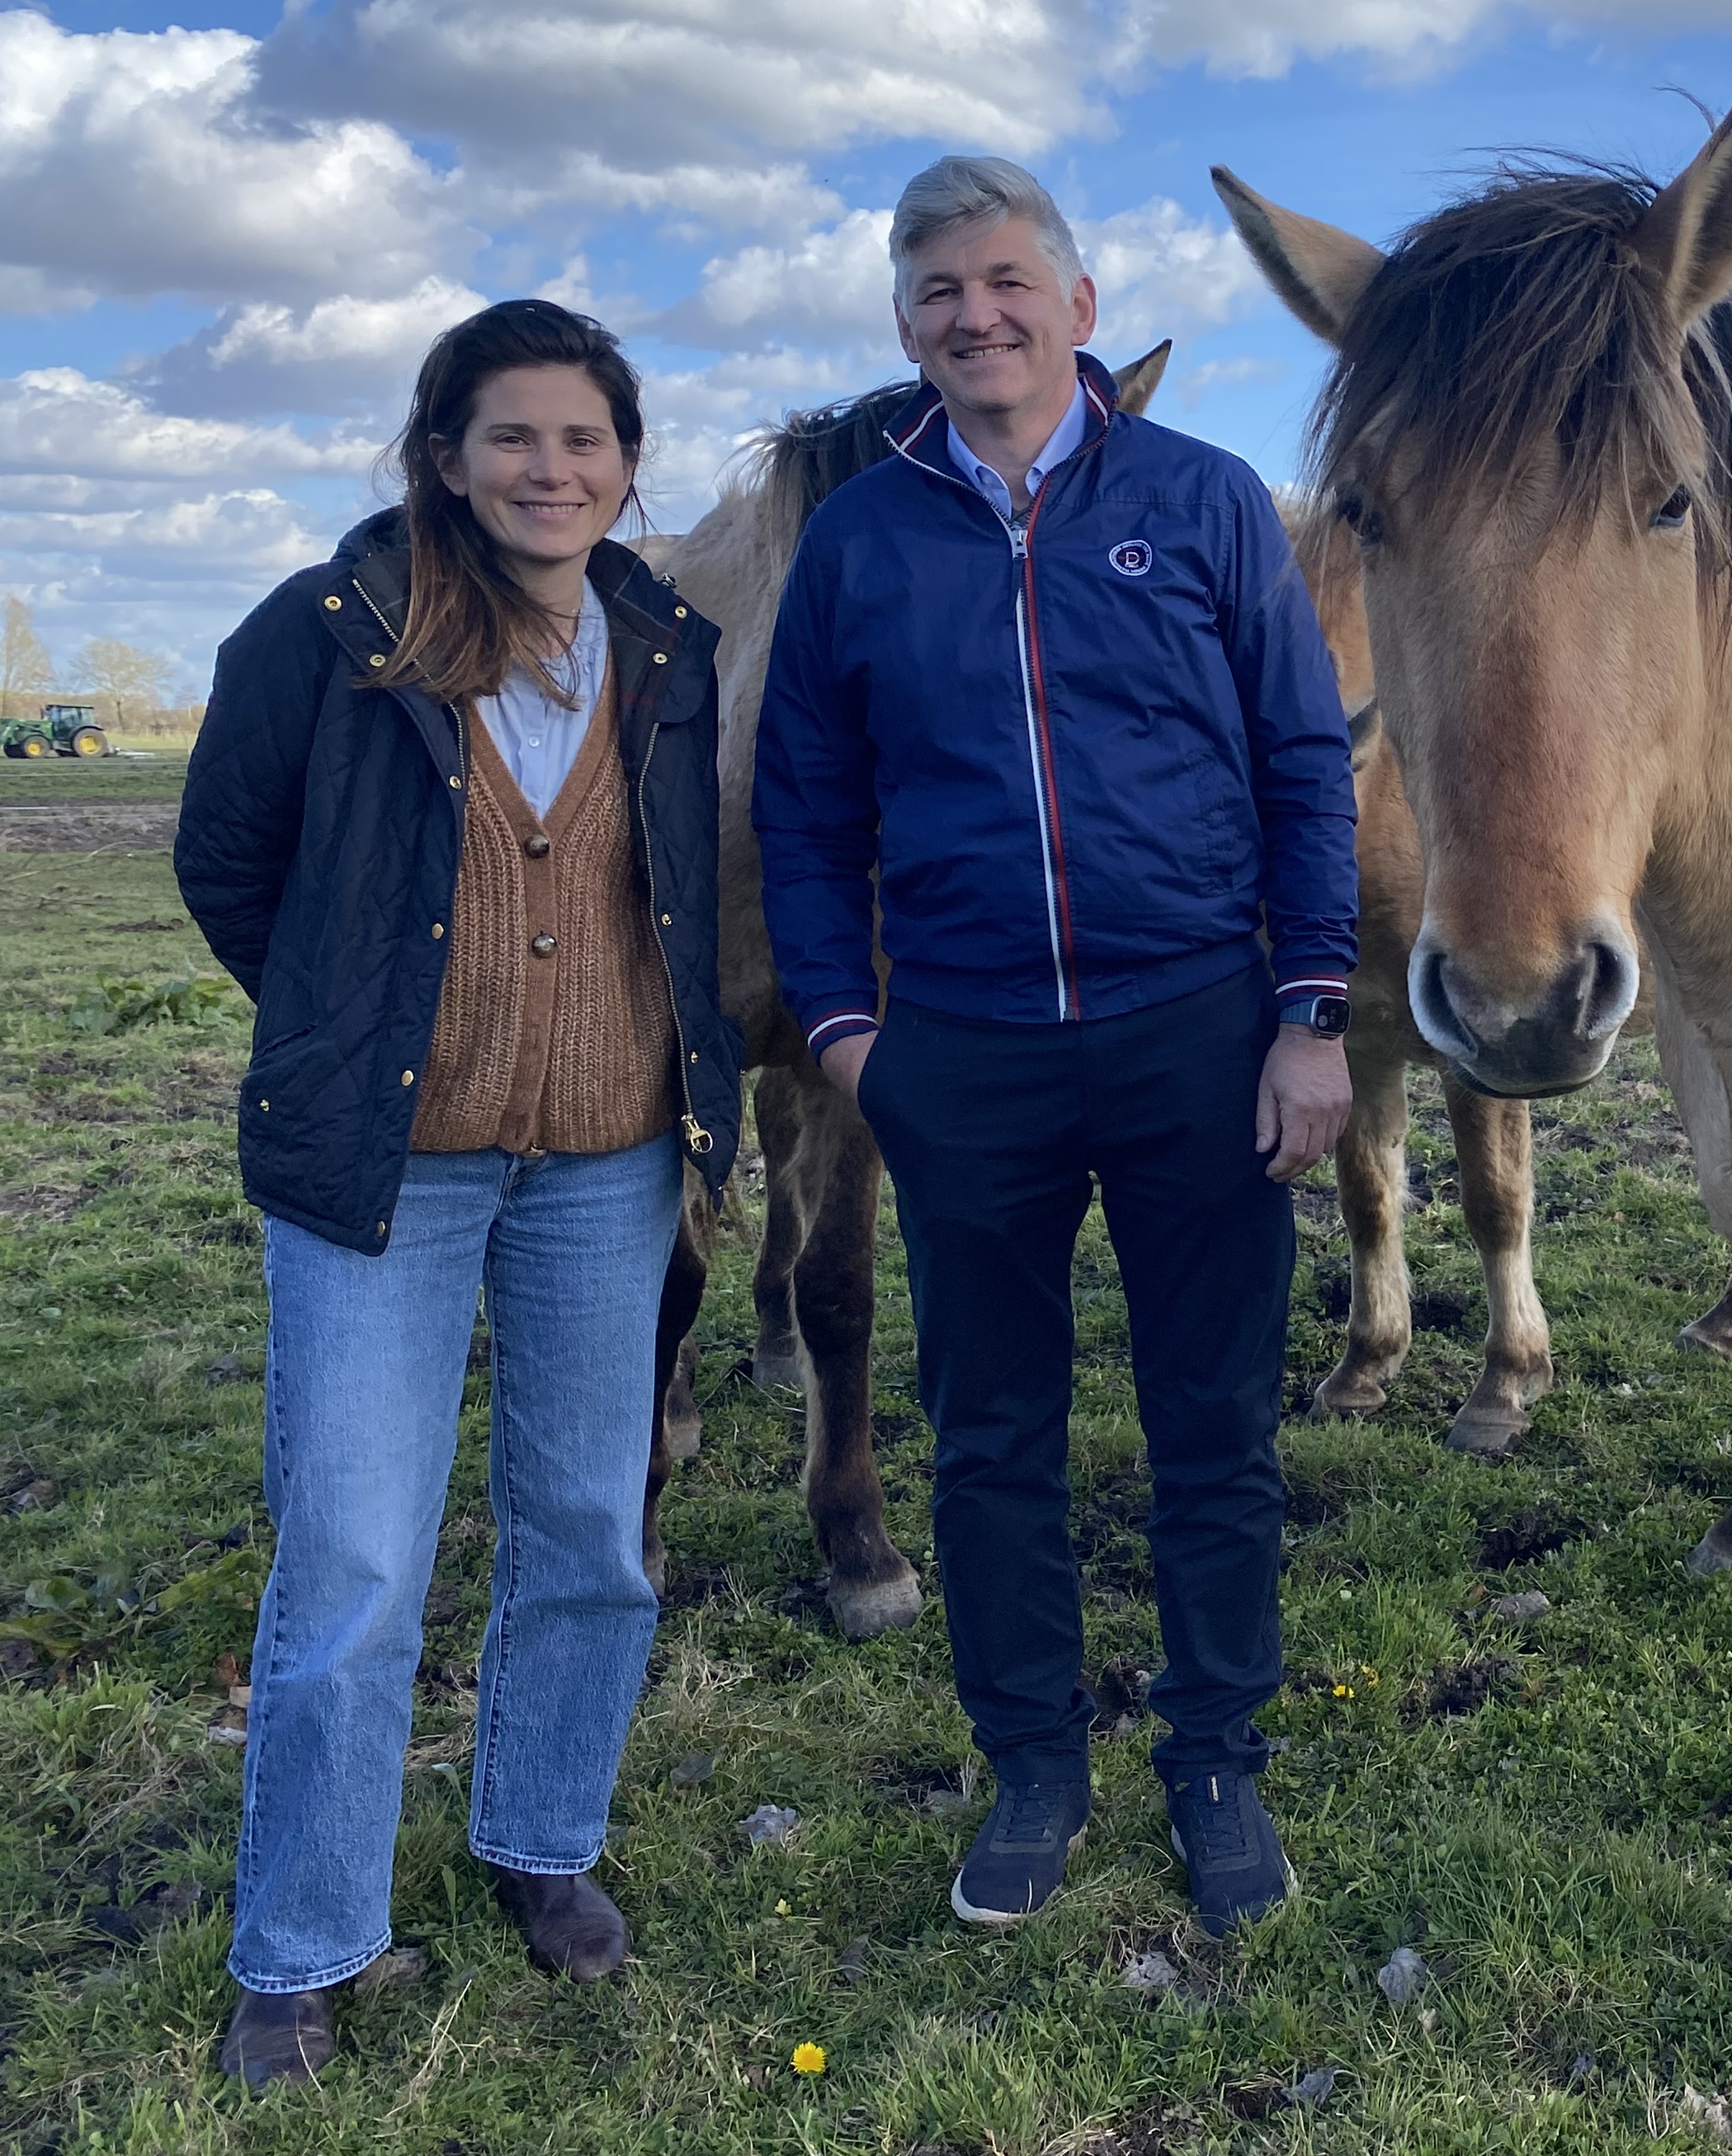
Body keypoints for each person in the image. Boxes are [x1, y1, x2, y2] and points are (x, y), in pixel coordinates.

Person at [756, 156, 1355, 1935]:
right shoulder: (860, 539)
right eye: (939, 289)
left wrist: (1311, 1009)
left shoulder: (1206, 498)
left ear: (1080, 308)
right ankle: (1032, 1762)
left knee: (1212, 1424)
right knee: (990, 1432)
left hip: (1195, 1031)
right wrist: (855, 1037)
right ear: (905, 326)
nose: (977, 314)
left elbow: (1306, 763)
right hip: (967, 1053)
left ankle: (1217, 1756)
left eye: (1009, 280)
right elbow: (805, 812)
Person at [176, 300, 740, 2088]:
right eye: (512, 437)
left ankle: (542, 1840)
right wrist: (348, 1023)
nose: (550, 470)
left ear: (626, 465)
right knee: (350, 1552)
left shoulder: (666, 644)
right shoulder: (334, 629)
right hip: (386, 1172)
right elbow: (226, 853)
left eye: (584, 440)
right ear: (445, 455)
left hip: (610, 1158)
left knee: (590, 1527)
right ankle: (303, 1943)